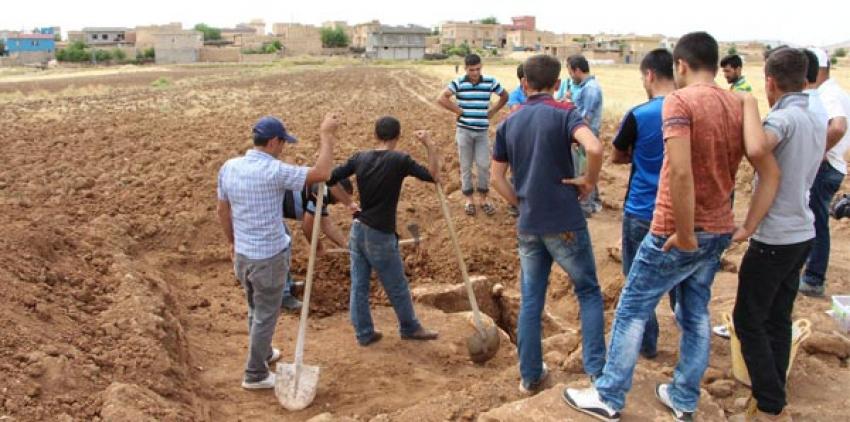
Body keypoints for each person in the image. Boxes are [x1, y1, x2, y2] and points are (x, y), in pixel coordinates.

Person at [564, 32, 779, 422]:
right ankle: (683, 397)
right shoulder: (738, 103)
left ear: (680, 65)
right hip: (719, 228)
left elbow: (679, 172)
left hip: (675, 229)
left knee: (632, 307)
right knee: (695, 314)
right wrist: (747, 224)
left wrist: (681, 232)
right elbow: (765, 165)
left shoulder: (679, 101)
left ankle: (609, 395)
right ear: (715, 64)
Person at [490, 54, 606, 395]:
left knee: (531, 300)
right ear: (558, 84)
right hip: (565, 221)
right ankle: (597, 374)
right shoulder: (565, 112)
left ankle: (529, 376)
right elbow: (594, 146)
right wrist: (588, 180)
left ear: (524, 83)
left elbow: (496, 177)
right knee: (587, 291)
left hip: (529, 224)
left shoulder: (509, 123)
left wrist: (519, 202)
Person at [728, 47, 827, 422]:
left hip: (775, 238)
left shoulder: (783, 119)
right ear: (806, 78)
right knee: (777, 318)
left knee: (748, 320)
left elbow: (756, 147)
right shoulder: (814, 115)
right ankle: (773, 396)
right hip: (802, 232)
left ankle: (770, 404)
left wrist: (749, 105)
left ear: (770, 81)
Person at [217, 113, 337, 390]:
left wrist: (232, 242)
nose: (283, 148)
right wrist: (327, 136)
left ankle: (265, 352)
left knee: (254, 308)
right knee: (265, 315)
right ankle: (255, 374)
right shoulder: (274, 171)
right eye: (283, 142)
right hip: (268, 258)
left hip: (244, 255)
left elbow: (222, 209)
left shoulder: (229, 167)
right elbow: (321, 174)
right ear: (272, 142)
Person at [327, 117, 441, 346]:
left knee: (359, 285)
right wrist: (429, 145)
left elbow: (328, 178)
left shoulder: (360, 158)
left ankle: (364, 333)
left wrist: (349, 202)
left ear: (375, 135)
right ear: (397, 137)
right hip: (380, 233)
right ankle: (409, 327)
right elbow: (434, 176)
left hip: (358, 230)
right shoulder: (399, 160)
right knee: (396, 284)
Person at [611, 48, 677, 360]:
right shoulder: (693, 112)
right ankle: (690, 343)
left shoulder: (640, 114)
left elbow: (617, 155)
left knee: (638, 282)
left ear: (649, 75)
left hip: (642, 209)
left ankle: (647, 344)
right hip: (683, 211)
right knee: (684, 279)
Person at [799, 47, 850, 297]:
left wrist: (816, 154)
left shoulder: (827, 94)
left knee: (817, 223)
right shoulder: (835, 91)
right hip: (833, 164)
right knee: (814, 220)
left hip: (825, 166)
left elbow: (839, 127)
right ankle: (810, 272)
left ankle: (813, 278)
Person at [438, 53, 509, 216]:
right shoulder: (459, 82)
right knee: (465, 165)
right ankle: (469, 200)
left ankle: (483, 199)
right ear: (465, 69)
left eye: (477, 69)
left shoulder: (490, 82)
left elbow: (505, 96)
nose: (475, 73)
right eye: (471, 70)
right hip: (464, 131)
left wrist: (493, 110)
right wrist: (458, 110)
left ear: (481, 67)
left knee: (484, 165)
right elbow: (441, 98)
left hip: (482, 132)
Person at [279, 179, 355, 311]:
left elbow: (326, 224)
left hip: (274, 209)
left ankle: (287, 285)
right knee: (281, 245)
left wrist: (346, 245)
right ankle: (283, 295)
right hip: (267, 207)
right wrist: (318, 248)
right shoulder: (322, 191)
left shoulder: (323, 191)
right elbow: (307, 225)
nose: (341, 202)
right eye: (344, 196)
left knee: (284, 242)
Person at [567, 54, 604, 215]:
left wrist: (577, 137)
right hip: (586, 134)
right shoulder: (587, 87)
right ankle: (594, 203)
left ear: (577, 70)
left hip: (586, 135)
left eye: (570, 71)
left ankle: (585, 207)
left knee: (583, 171)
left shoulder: (590, 89)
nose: (569, 76)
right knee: (588, 168)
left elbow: (585, 119)